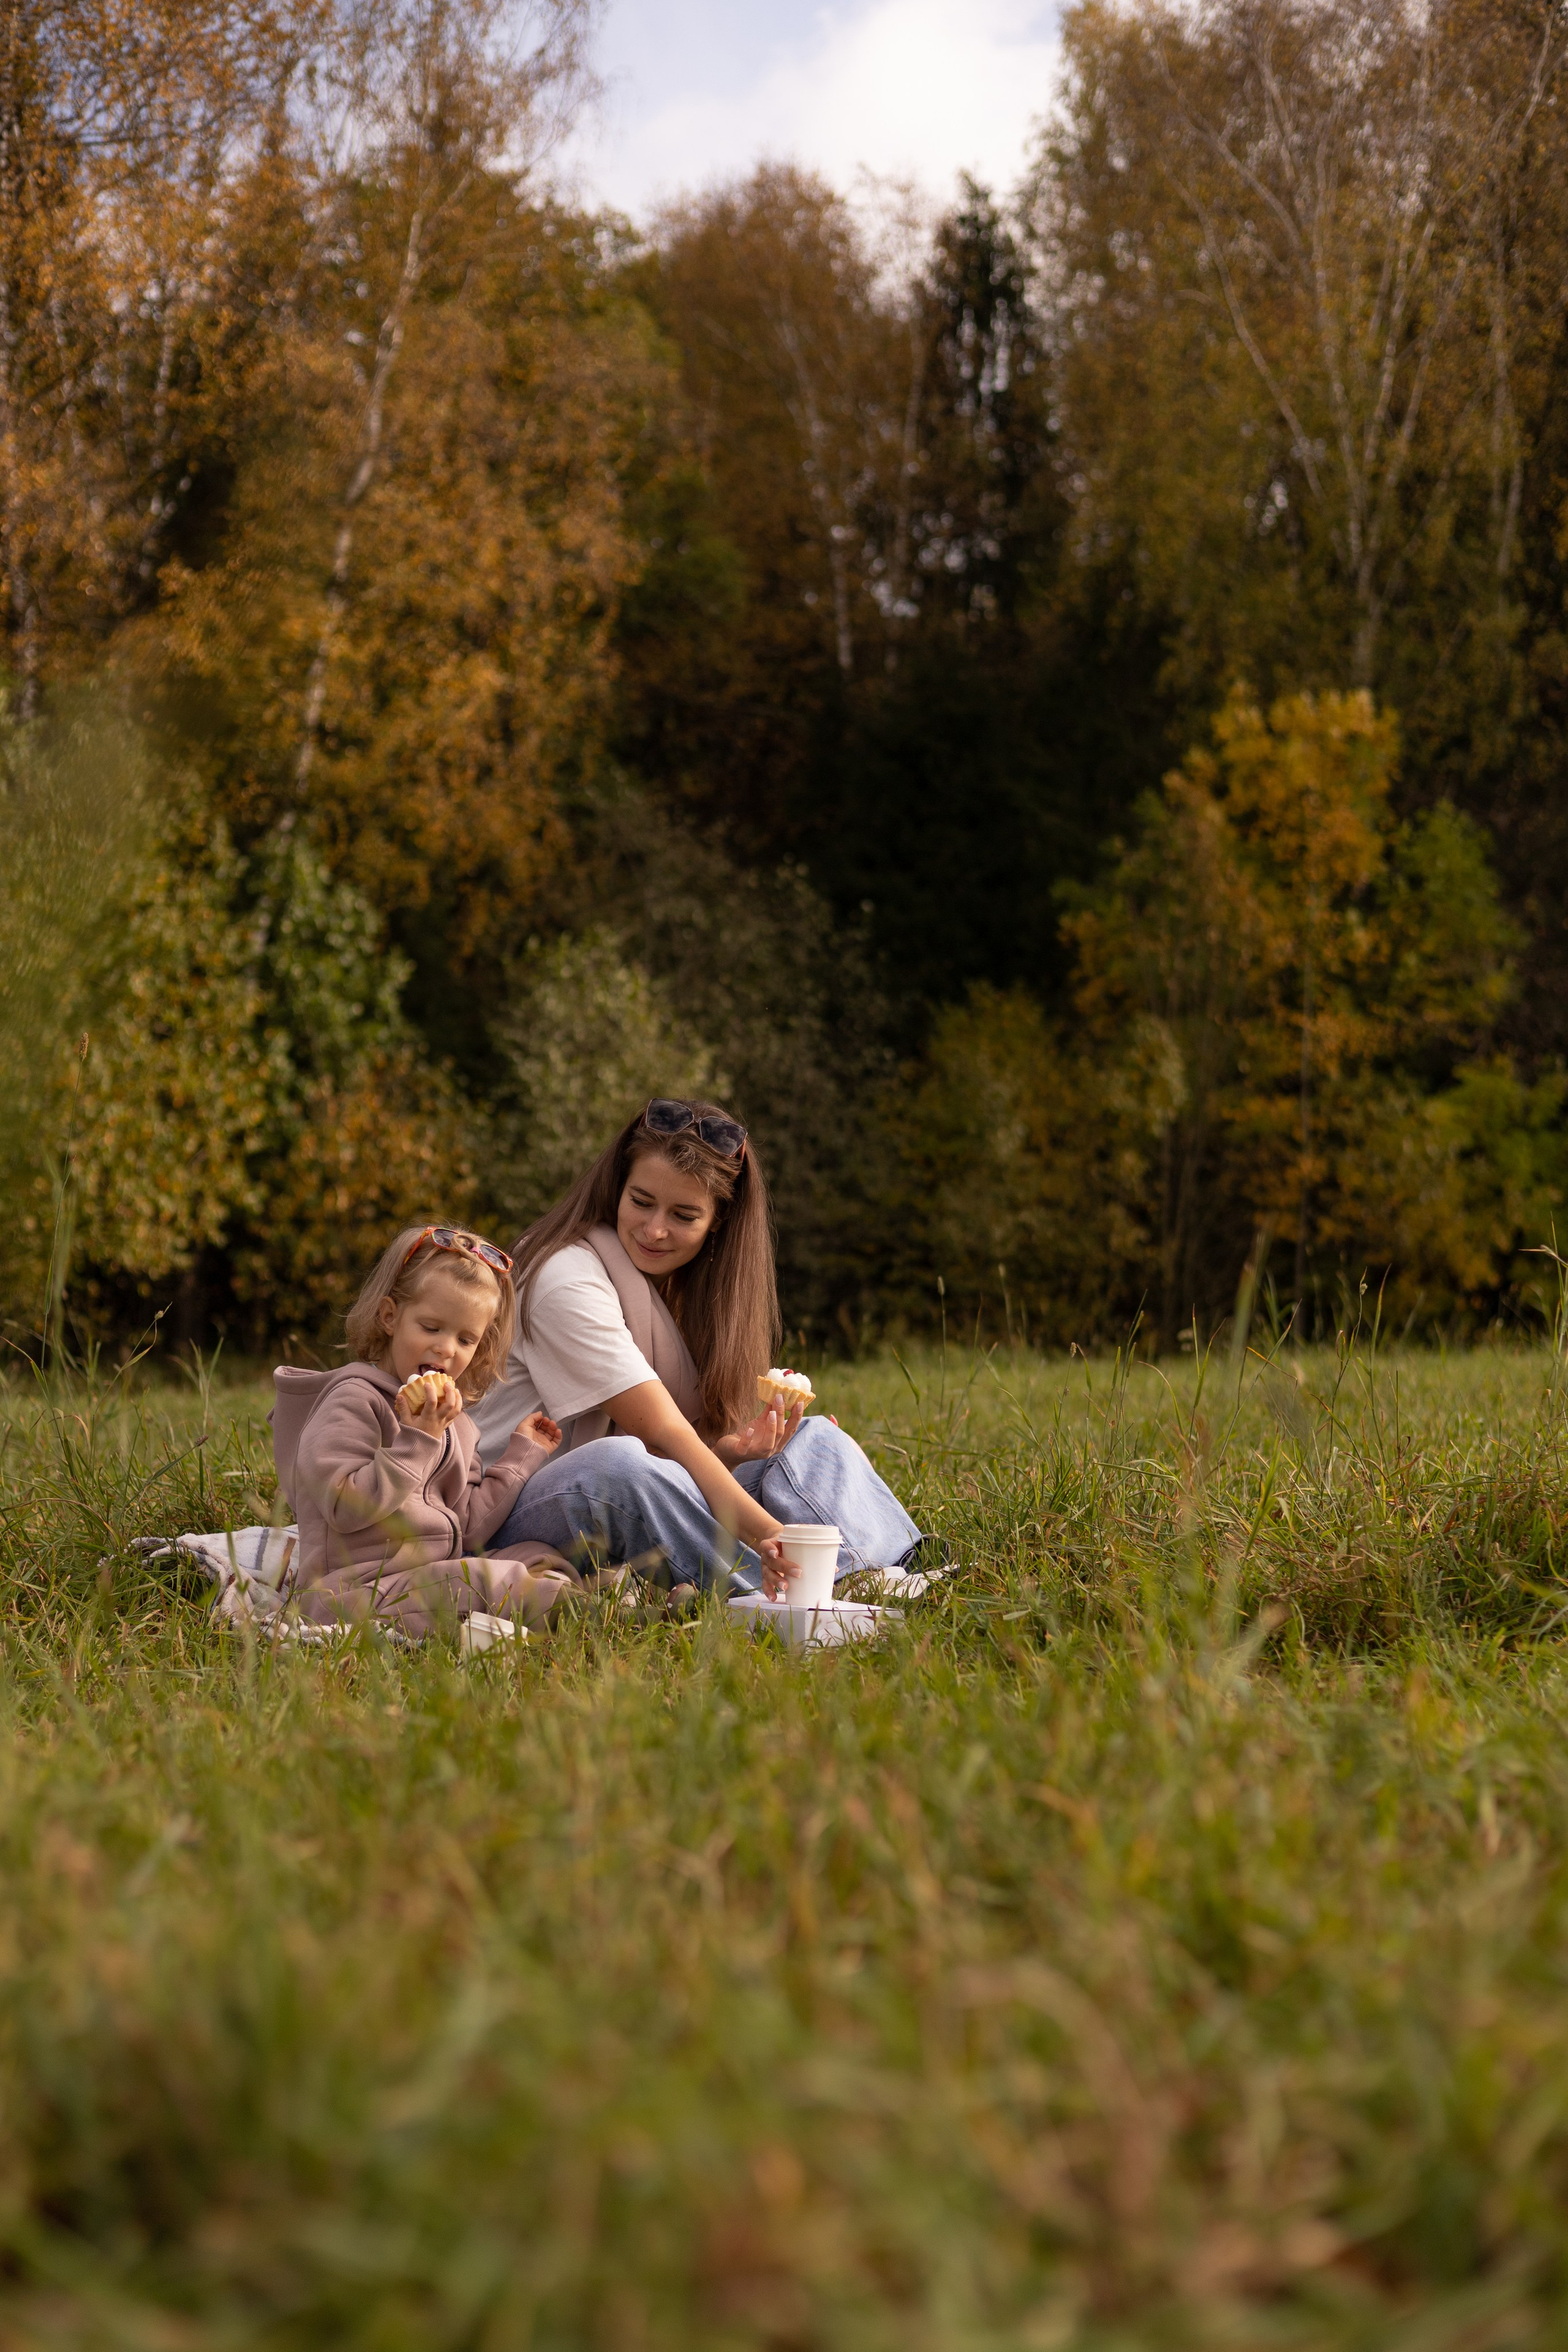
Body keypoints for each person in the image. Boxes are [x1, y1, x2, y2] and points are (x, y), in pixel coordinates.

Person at [475, 1099, 934, 1597]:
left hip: (619, 1487)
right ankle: (798, 1591)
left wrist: (731, 1454)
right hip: (501, 1508)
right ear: (617, 1191)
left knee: (812, 1441)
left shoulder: (678, 1288)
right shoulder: (564, 1278)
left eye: (684, 1214)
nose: (655, 1229)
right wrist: (770, 1534)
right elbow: (664, 1435)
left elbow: (673, 1457)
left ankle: (884, 1568)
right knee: (617, 1465)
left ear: (718, 1220)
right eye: (642, 1201)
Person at [272, 1224, 575, 1636]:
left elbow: (468, 1526)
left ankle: (591, 1601)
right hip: (351, 1592)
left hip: (426, 1573)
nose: (446, 1349)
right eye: (431, 1328)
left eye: (466, 1339)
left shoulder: (459, 1425)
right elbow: (343, 1508)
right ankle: (581, 1615)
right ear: (390, 1317)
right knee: (473, 1583)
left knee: (533, 1554)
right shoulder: (354, 1401)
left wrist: (522, 1455)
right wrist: (418, 1440)